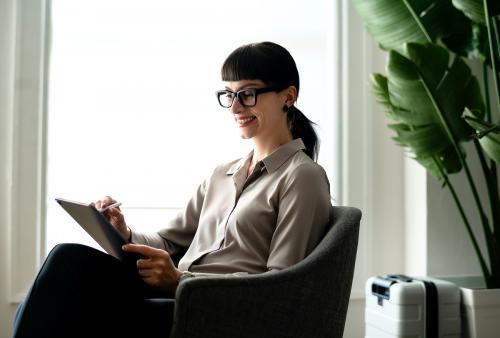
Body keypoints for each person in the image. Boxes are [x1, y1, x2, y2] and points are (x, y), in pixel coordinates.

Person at [12, 41, 331, 338]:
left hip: (222, 312)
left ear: (288, 96)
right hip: (174, 292)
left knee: (78, 308)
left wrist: (180, 280)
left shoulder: (302, 177)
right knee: (68, 260)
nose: (235, 107)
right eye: (228, 94)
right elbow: (169, 241)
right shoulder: (222, 174)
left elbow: (281, 286)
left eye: (247, 94)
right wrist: (123, 232)